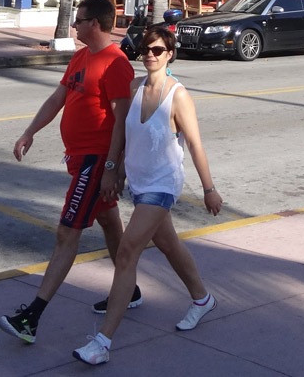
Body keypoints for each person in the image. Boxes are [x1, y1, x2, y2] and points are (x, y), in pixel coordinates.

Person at [72, 23, 222, 365]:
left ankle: (102, 342)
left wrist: (209, 189)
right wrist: (115, 170)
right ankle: (202, 298)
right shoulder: (134, 86)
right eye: (145, 50)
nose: (149, 56)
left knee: (126, 252)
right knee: (168, 244)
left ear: (170, 54)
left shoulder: (178, 95)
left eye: (157, 51)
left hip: (163, 184)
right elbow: (123, 136)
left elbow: (196, 144)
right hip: (138, 183)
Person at [0, 0, 135, 345]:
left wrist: (111, 168)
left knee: (66, 236)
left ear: (97, 24)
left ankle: (32, 317)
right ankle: (130, 288)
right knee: (109, 223)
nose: (74, 25)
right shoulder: (81, 56)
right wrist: (30, 131)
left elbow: (123, 121)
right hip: (78, 158)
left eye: (80, 20)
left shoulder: (116, 63)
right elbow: (58, 98)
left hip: (95, 161)